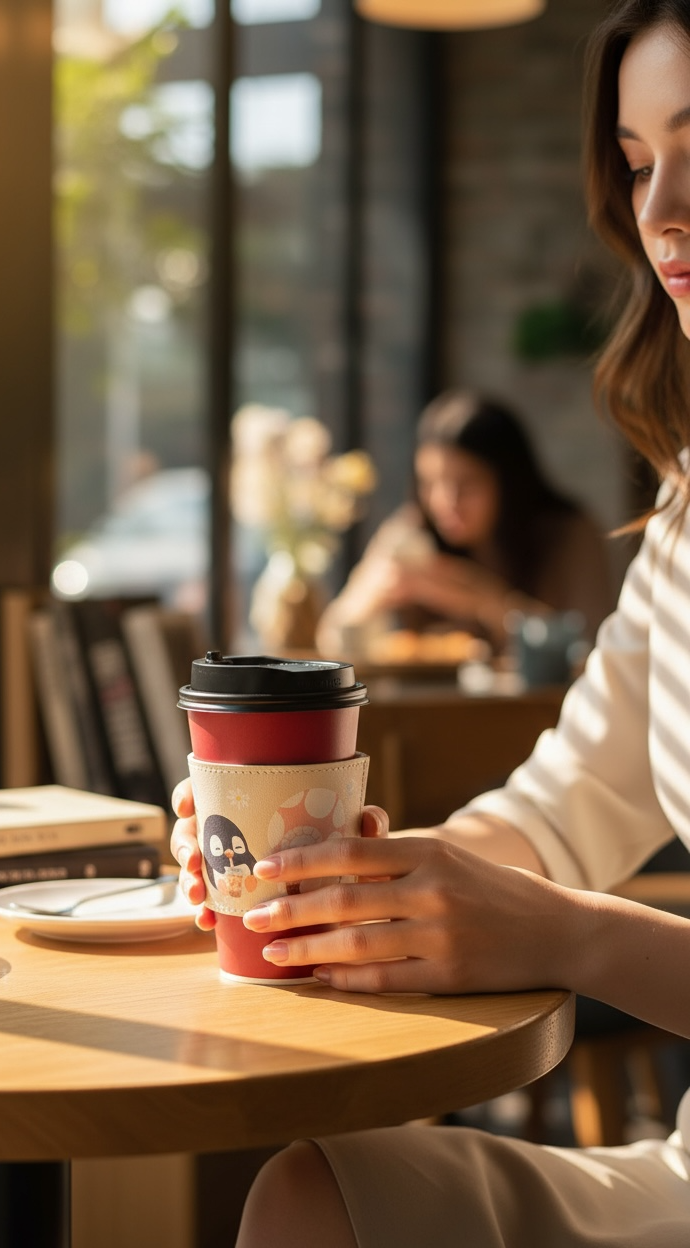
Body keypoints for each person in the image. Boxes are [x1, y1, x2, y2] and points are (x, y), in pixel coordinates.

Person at [171, 2, 690, 1244]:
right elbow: (562, 809)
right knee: (317, 1195)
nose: (658, 209)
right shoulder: (681, 515)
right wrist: (339, 882)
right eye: (633, 165)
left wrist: (571, 936)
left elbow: (559, 893)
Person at [315, 389, 616, 658]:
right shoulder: (411, 531)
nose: (445, 502)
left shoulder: (568, 533)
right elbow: (330, 636)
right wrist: (371, 595)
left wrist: (486, 602)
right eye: (429, 483)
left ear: (510, 481)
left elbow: (592, 648)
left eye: (467, 484)